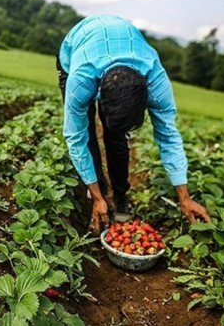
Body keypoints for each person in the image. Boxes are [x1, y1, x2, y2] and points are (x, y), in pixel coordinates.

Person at [57, 15, 210, 232]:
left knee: (117, 135)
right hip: (76, 48)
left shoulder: (156, 81)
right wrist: (98, 197)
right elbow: (75, 137)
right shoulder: (81, 79)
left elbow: (169, 136)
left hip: (123, 51)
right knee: (87, 133)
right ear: (99, 94)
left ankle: (120, 196)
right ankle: (98, 195)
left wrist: (185, 198)